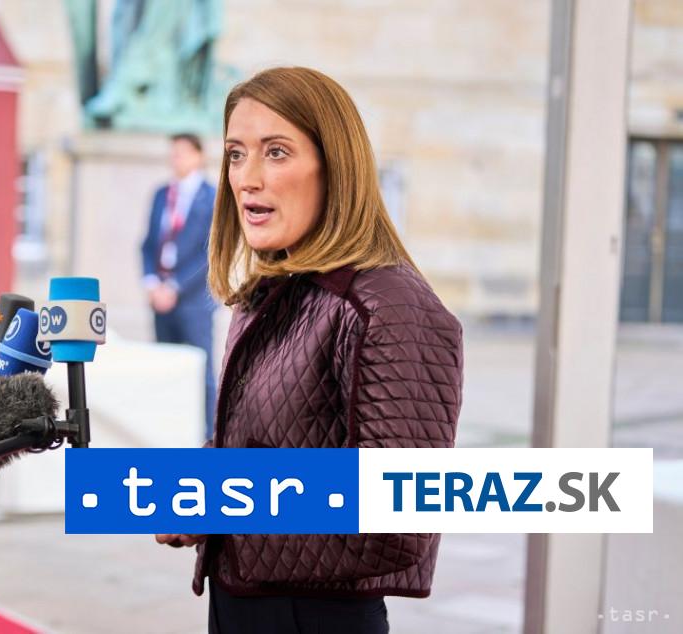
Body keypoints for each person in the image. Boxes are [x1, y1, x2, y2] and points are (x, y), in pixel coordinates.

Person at [155, 67, 463, 633]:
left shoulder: (387, 306)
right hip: (242, 605)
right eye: (236, 154)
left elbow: (398, 519)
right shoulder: (280, 289)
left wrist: (229, 500)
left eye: (276, 152)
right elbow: (277, 437)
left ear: (336, 168)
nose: (247, 178)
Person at [141, 133, 218, 439]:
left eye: (183, 153)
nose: (177, 159)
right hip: (160, 296)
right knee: (164, 368)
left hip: (193, 299)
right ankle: (166, 432)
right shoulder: (162, 194)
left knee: (201, 370)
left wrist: (174, 287)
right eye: (173, 153)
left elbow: (209, 253)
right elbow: (148, 244)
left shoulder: (211, 197)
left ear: (199, 156)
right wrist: (152, 283)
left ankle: (209, 437)